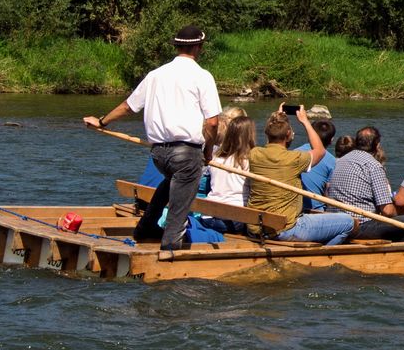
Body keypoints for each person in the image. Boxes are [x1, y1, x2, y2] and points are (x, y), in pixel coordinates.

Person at [85, 23, 221, 254]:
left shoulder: (155, 75)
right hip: (186, 153)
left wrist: (102, 121)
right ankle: (170, 249)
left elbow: (128, 107)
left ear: (177, 47)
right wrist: (208, 152)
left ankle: (146, 227)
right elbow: (213, 122)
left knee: (171, 183)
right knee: (180, 206)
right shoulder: (202, 76)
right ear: (199, 47)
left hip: (159, 153)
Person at [246, 108, 362, 243]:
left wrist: (277, 119)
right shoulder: (294, 159)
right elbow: (320, 150)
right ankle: (322, 258)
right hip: (285, 229)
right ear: (288, 134)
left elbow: (271, 139)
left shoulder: (254, 154)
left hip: (256, 228)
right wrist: (305, 122)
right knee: (349, 222)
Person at [324, 127, 404, 241]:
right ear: (377, 145)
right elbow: (387, 211)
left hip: (334, 223)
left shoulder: (341, 160)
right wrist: (398, 212)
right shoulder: (373, 165)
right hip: (359, 226)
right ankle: (398, 253)